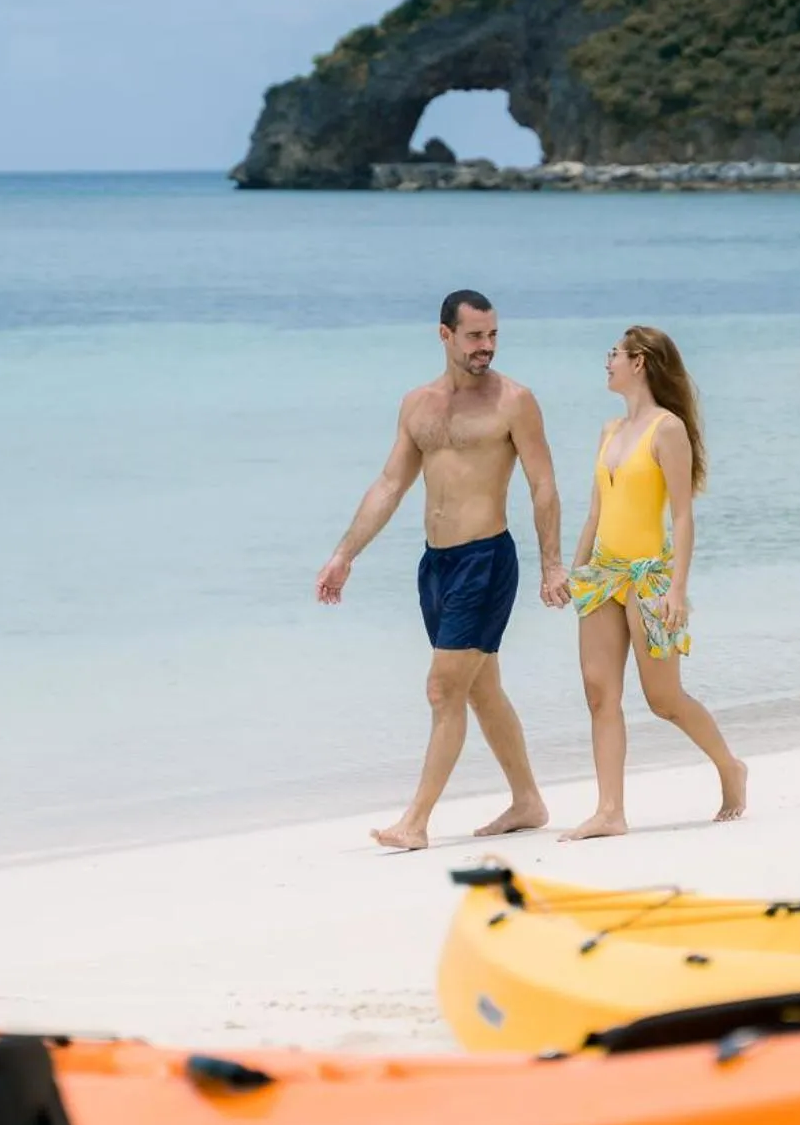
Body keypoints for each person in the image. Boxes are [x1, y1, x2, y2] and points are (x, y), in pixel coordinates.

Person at [315, 289, 570, 850]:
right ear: (445, 335)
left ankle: (415, 822)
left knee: (442, 689)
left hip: (486, 560)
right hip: (436, 565)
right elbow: (390, 484)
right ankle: (528, 801)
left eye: (493, 335)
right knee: (482, 691)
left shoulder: (514, 401)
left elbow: (543, 484)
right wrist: (344, 554)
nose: (487, 346)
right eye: (475, 336)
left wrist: (552, 565)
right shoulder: (418, 405)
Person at [560, 325, 747, 841]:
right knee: (599, 693)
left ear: (639, 361)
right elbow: (596, 511)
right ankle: (609, 811)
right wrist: (574, 572)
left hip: (649, 579)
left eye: (614, 354)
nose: (607, 362)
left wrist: (677, 590)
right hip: (603, 577)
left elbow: (683, 517)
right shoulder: (609, 430)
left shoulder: (667, 430)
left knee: (663, 699)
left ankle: (730, 767)